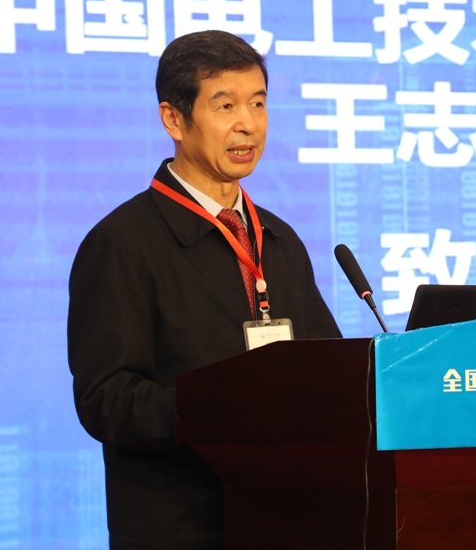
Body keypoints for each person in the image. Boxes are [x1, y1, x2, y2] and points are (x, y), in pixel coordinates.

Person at [67, 30, 342, 550]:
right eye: (225, 105)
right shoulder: (122, 243)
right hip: (179, 527)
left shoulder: (279, 239)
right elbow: (105, 398)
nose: (248, 124)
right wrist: (223, 413)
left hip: (285, 520)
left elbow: (331, 369)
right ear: (173, 119)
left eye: (257, 103)